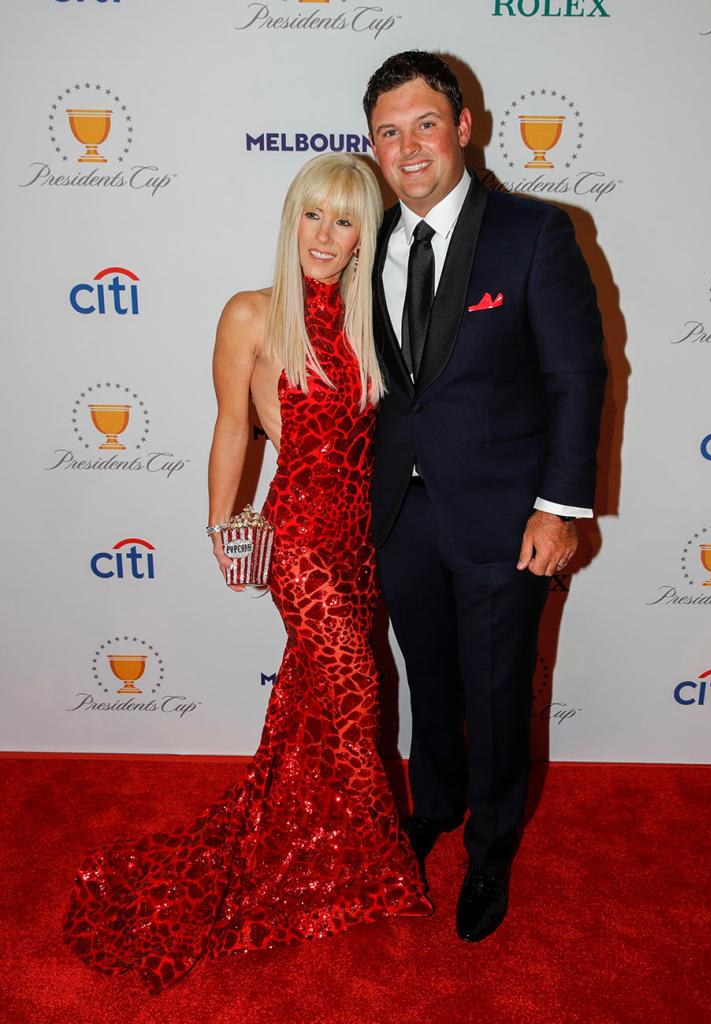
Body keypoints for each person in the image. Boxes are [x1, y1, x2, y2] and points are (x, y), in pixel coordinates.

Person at [62, 153, 431, 995]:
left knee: (312, 705)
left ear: (365, 234)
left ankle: (299, 839)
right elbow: (234, 429)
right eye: (314, 215)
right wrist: (223, 526)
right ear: (290, 219)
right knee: (354, 692)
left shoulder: (378, 320)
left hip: (362, 542)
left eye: (346, 221)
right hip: (297, 538)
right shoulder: (254, 314)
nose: (327, 236)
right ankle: (365, 869)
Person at [364, 52, 607, 943]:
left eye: (424, 123)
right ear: (374, 147)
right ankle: (436, 805)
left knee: (499, 693)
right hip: (402, 512)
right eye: (389, 132)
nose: (409, 145)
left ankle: (493, 850)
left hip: (509, 515)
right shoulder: (368, 238)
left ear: (464, 126)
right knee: (427, 675)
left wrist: (562, 507)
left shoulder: (534, 231)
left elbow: (578, 377)